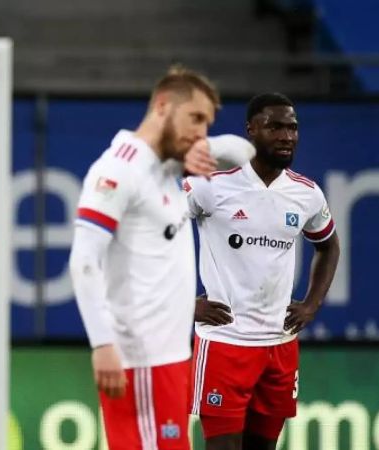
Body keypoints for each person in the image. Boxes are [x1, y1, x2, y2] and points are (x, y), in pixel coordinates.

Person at [68, 65, 255, 450]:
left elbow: (246, 153)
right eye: (196, 118)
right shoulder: (119, 169)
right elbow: (84, 261)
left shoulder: (167, 167)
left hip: (170, 357)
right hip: (140, 362)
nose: (201, 131)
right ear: (162, 106)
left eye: (207, 122)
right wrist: (102, 344)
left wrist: (208, 146)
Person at [185, 93, 340, 450]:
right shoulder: (212, 185)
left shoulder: (306, 194)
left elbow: (328, 245)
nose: (286, 136)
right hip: (226, 343)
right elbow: (154, 230)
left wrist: (311, 304)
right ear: (251, 130)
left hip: (280, 345)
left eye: (293, 127)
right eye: (275, 127)